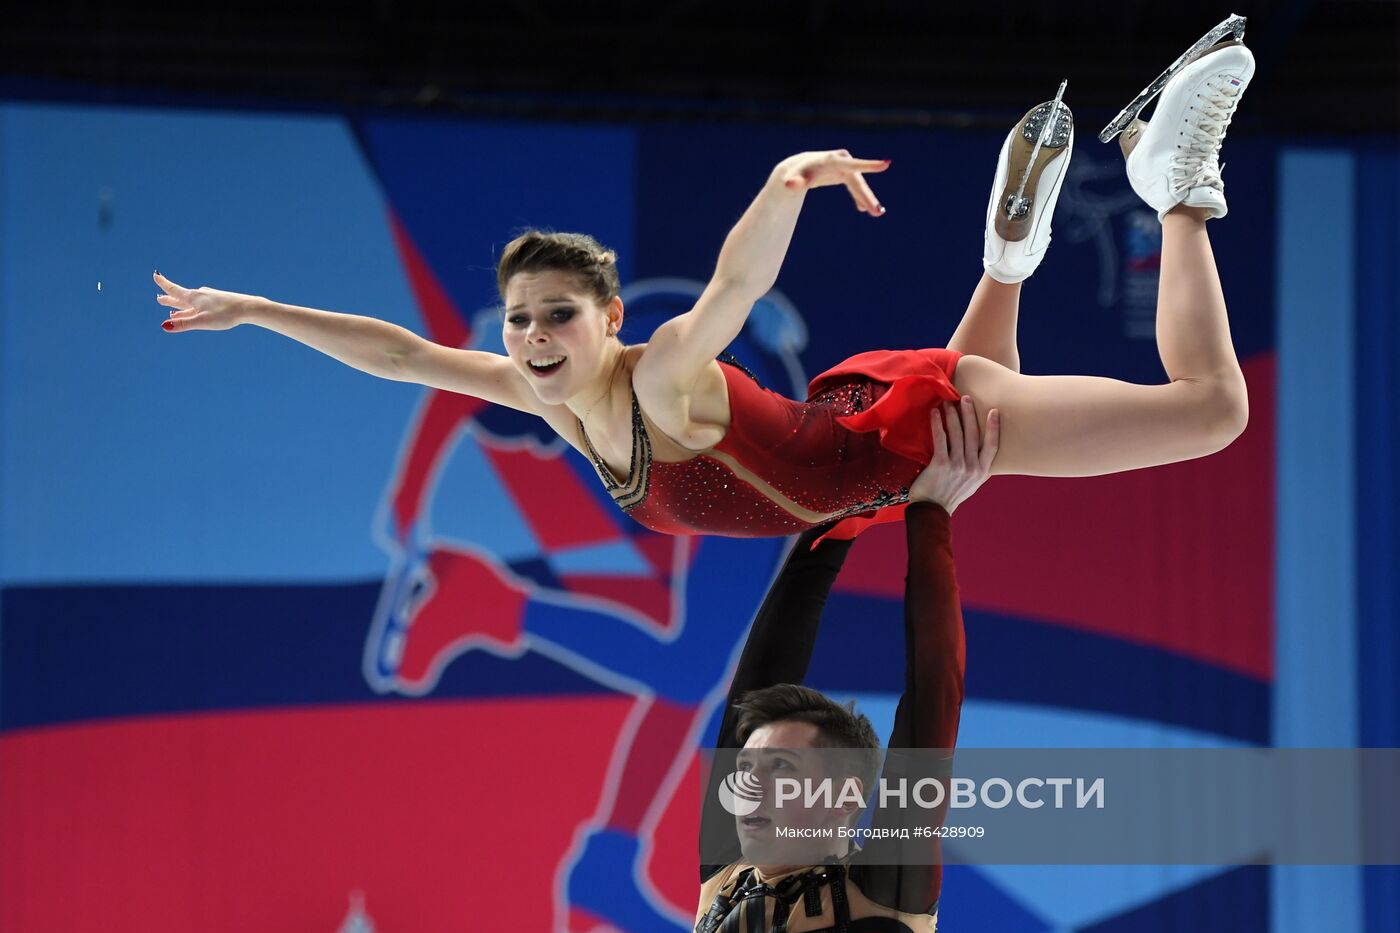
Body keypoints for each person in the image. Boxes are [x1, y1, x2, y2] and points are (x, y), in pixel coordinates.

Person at [154, 32, 1254, 546]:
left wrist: (785, 182)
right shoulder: (544, 395)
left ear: (610, 320)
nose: (532, 335)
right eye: (523, 317)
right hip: (856, 436)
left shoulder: (665, 375)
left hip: (888, 441)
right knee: (987, 391)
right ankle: (1007, 256)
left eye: (558, 315)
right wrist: (253, 310)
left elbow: (733, 287)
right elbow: (397, 351)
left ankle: (1172, 186)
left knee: (1210, 410)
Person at [686, 398, 995, 933]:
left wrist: (931, 514)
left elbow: (933, 702)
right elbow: (758, 678)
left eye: (780, 771)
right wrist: (836, 517)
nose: (746, 786)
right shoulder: (728, 883)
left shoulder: (883, 890)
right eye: (747, 768)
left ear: (843, 799)